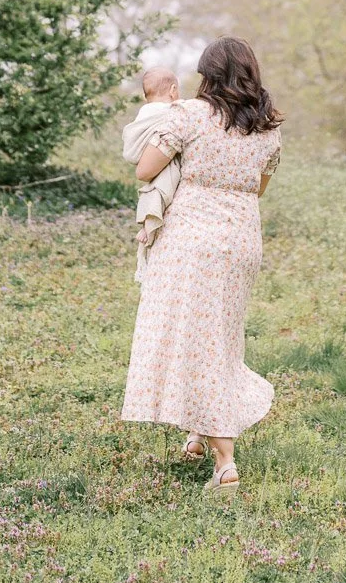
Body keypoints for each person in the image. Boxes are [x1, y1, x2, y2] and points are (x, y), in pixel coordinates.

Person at [121, 36, 282, 490]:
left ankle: (224, 460)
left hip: (192, 239)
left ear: (207, 73)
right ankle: (197, 433)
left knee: (195, 340)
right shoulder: (269, 126)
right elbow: (259, 188)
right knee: (218, 337)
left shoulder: (189, 115)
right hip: (241, 239)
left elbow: (144, 168)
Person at [122, 66, 183, 282]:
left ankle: (148, 226)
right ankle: (149, 226)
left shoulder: (144, 112)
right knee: (168, 179)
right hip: (157, 157)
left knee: (155, 188)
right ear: (173, 90)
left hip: (149, 156)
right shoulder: (170, 112)